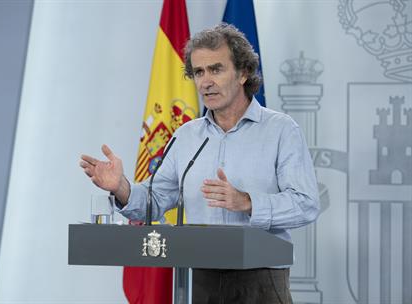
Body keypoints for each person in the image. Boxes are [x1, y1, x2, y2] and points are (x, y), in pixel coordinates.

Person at [80, 23, 320, 304]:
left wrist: (247, 202)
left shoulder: (281, 130)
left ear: (243, 73)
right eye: (198, 72)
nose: (205, 81)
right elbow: (156, 200)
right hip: (200, 278)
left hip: (260, 279)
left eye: (216, 69)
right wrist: (120, 187)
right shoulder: (186, 136)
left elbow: (306, 203)